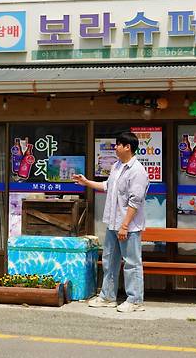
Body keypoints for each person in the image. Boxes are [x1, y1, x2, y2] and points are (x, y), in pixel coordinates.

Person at [72, 131, 149, 313]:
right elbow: (107, 186)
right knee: (109, 261)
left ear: (127, 147)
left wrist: (125, 225)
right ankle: (108, 297)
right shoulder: (117, 166)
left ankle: (135, 300)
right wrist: (86, 182)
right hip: (113, 224)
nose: (115, 147)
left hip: (128, 226)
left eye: (118, 145)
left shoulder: (137, 171)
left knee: (131, 263)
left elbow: (134, 201)